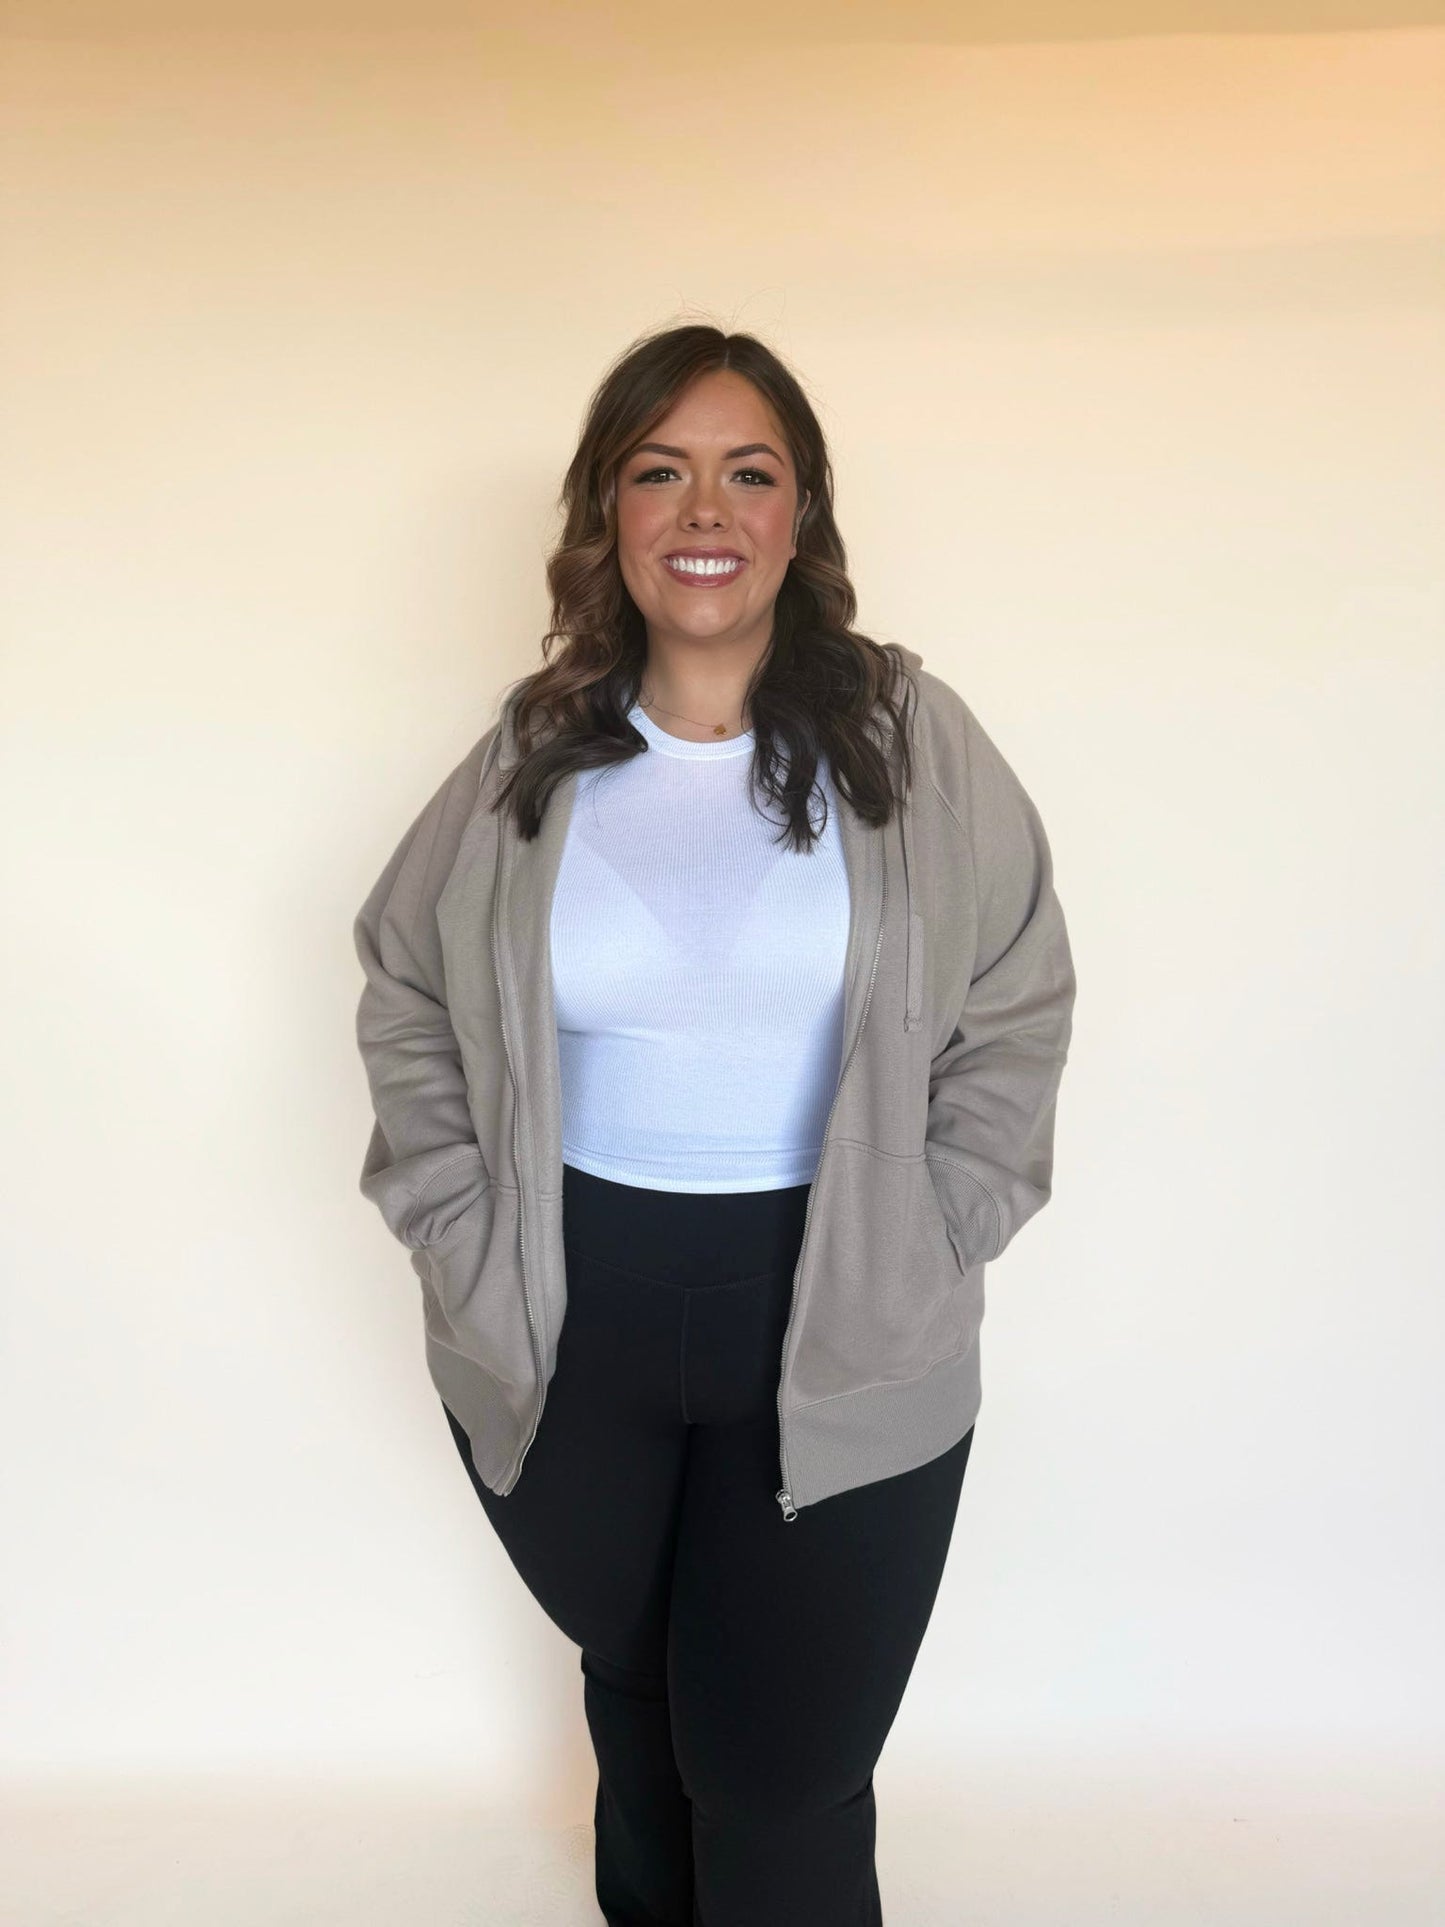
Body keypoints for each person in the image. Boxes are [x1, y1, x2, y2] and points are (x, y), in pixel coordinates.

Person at [352, 322, 1077, 1926]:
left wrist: (945, 1219)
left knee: (778, 1764)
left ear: (801, 515)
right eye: (658, 470)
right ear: (607, 514)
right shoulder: (534, 757)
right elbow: (404, 981)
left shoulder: (907, 738)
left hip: (832, 1298)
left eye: (748, 472)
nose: (705, 508)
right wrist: (457, 1225)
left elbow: (1018, 997)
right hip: (571, 1311)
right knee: (643, 1690)